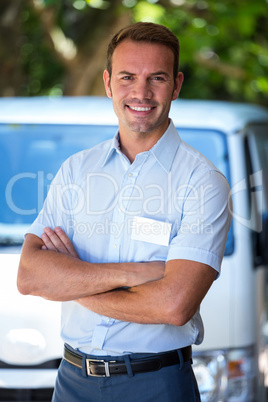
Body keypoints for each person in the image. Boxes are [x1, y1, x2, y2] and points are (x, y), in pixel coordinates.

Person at [17, 22, 232, 401]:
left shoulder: (203, 183)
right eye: (127, 77)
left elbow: (173, 305)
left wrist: (70, 283)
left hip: (156, 384)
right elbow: (30, 277)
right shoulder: (76, 170)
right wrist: (137, 274)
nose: (141, 92)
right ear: (107, 83)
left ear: (177, 85)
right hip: (71, 383)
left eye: (157, 78)